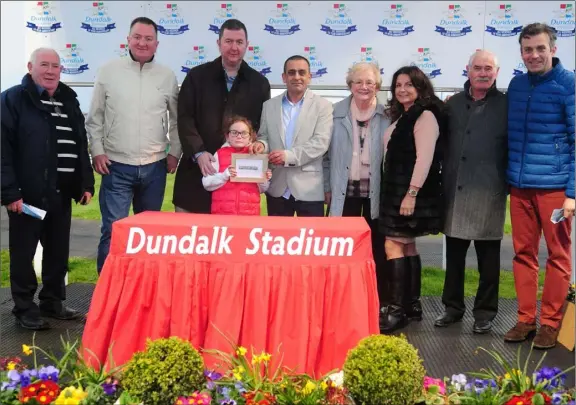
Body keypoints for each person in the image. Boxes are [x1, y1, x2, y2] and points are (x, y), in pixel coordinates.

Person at [1, 48, 95, 330]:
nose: (51, 70)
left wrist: (85, 183)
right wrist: (9, 192)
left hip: (61, 193)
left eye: (56, 66)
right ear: (30, 66)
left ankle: (53, 302)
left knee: (57, 252)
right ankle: (24, 307)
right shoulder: (13, 99)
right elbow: (2, 150)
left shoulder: (69, 101)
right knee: (24, 253)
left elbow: (79, 145)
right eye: (44, 64)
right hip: (27, 195)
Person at [86, 17, 181, 274]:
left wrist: (175, 152)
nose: (142, 43)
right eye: (137, 37)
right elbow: (94, 117)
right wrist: (97, 150)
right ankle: (107, 297)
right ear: (127, 40)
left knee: (148, 236)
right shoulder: (108, 71)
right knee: (114, 231)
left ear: (156, 43)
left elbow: (176, 120)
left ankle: (143, 293)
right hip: (116, 167)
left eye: (148, 38)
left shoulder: (167, 75)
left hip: (155, 167)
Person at [504, 23, 574, 349]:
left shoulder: (569, 84)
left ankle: (550, 323)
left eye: (540, 48)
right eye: (527, 49)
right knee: (522, 255)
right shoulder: (516, 86)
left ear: (553, 49)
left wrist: (572, 193)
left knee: (558, 257)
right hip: (519, 187)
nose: (533, 55)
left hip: (556, 190)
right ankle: (524, 319)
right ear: (521, 52)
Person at [435, 50, 508, 334]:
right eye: (478, 67)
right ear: (468, 70)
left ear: (497, 72)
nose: (483, 72)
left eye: (489, 68)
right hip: (455, 191)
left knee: (489, 261)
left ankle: (485, 313)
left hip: (490, 191)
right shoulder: (451, 104)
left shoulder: (506, 105)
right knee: (454, 259)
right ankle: (452, 309)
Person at [174, 19, 271, 213]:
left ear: (247, 45)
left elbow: (260, 127)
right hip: (197, 173)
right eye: (228, 41)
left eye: (239, 42)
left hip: (239, 185)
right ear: (219, 43)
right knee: (193, 238)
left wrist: (257, 149)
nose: (233, 47)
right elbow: (185, 118)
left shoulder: (259, 83)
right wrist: (198, 153)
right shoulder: (196, 76)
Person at [378, 66, 447, 333]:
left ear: (420, 88)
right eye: (398, 85)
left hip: (408, 194)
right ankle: (411, 305)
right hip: (395, 193)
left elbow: (425, 158)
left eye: (409, 84)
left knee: (392, 246)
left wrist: (412, 193)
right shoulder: (402, 117)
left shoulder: (425, 116)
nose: (402, 89)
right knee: (407, 247)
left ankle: (396, 312)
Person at [323, 62, 389, 320]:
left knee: (377, 250)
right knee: (343, 250)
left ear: (377, 86)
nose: (364, 87)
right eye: (358, 82)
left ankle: (377, 301)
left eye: (370, 82)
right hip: (343, 194)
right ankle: (341, 301)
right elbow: (325, 157)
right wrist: (328, 188)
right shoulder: (334, 113)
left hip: (376, 195)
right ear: (349, 84)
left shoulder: (387, 115)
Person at [251, 55, 333, 217]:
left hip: (309, 189)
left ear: (309, 77)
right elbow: (264, 136)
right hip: (277, 188)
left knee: (311, 242)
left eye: (302, 73)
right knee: (276, 241)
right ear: (284, 77)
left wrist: (287, 156)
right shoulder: (269, 106)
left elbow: (320, 143)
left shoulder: (324, 106)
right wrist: (261, 145)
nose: (297, 77)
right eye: (291, 72)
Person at [202, 116, 272, 215]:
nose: (239, 136)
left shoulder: (256, 156)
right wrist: (224, 175)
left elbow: (262, 189)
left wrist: (264, 179)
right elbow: (207, 183)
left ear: (250, 137)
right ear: (227, 136)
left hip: (249, 216)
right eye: (234, 132)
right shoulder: (219, 154)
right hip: (222, 216)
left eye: (244, 133)